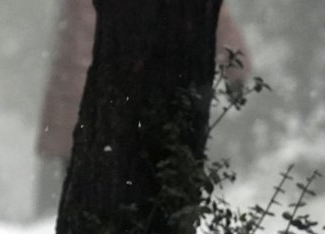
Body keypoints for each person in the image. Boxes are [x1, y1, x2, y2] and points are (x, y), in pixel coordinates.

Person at [34, 0, 251, 216]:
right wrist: (235, 67)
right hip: (129, 100)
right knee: (132, 203)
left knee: (89, 202)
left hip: (89, 100)